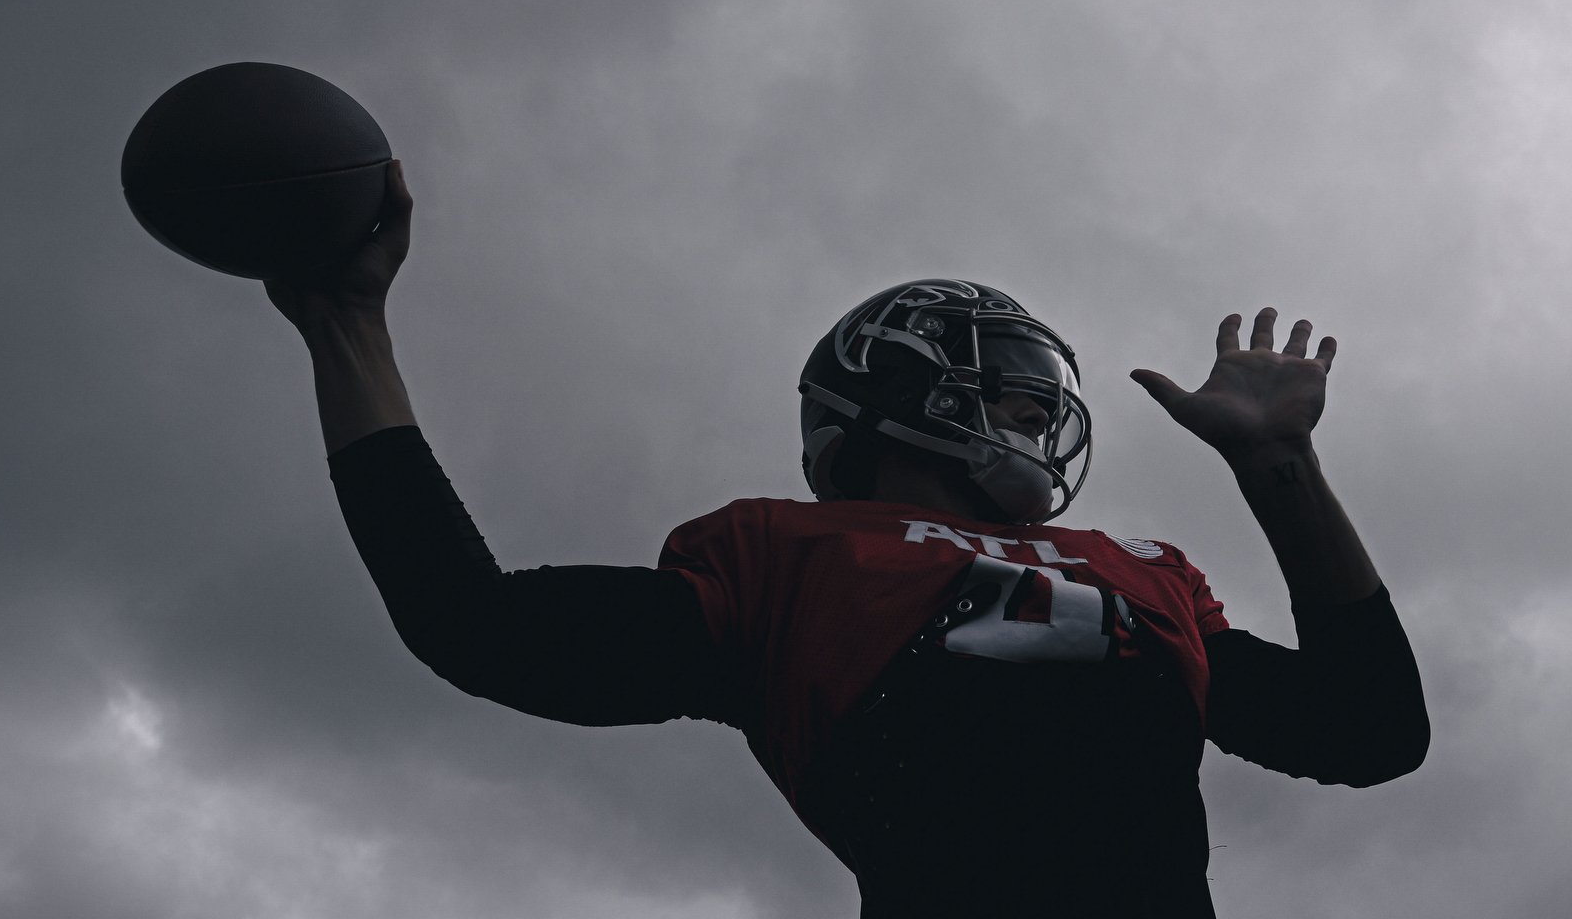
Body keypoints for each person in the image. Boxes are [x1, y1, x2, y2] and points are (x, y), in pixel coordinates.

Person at [271, 161, 1428, 918]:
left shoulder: (1148, 572)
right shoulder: (783, 554)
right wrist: (347, 323)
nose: (1040, 412)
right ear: (903, 377)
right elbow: (475, 622)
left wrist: (1281, 469)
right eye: (1014, 382)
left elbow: (1370, 729)